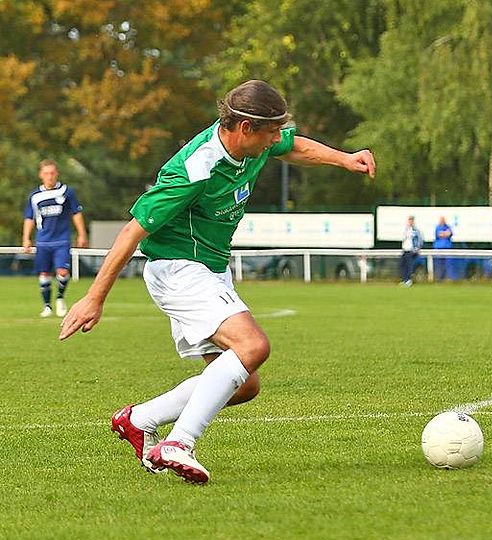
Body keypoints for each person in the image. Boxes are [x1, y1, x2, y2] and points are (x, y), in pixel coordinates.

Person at [58, 80, 376, 484]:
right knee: (253, 346)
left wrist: (344, 159)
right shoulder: (195, 169)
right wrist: (94, 297)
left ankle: (140, 419)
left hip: (209, 270)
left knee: (243, 386)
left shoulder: (254, 143)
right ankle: (179, 443)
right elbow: (131, 233)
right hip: (179, 270)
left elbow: (292, 146)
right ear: (244, 128)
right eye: (270, 132)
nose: (275, 139)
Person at [22, 159, 88, 318]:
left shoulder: (66, 192)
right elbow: (29, 218)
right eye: (46, 173)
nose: (49, 176)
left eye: (52, 173)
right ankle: (47, 306)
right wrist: (26, 238)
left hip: (62, 240)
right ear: (41, 175)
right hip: (43, 240)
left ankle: (60, 298)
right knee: (44, 274)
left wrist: (82, 234)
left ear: (57, 174)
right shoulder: (35, 196)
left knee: (62, 272)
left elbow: (76, 213)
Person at [399, 215, 422, 286]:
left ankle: (409, 280)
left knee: (409, 266)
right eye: (409, 220)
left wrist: (416, 248)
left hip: (411, 250)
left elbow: (419, 240)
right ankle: (404, 280)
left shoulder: (415, 230)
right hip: (405, 249)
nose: (410, 222)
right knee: (403, 265)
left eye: (411, 220)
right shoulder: (406, 229)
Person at [433, 216, 453, 281]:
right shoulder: (438, 227)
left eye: (443, 220)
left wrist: (444, 233)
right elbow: (440, 235)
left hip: (447, 248)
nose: (442, 221)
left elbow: (449, 233)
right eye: (441, 220)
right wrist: (445, 233)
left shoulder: (448, 227)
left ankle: (447, 278)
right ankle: (439, 278)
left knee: (447, 264)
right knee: (439, 264)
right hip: (439, 248)